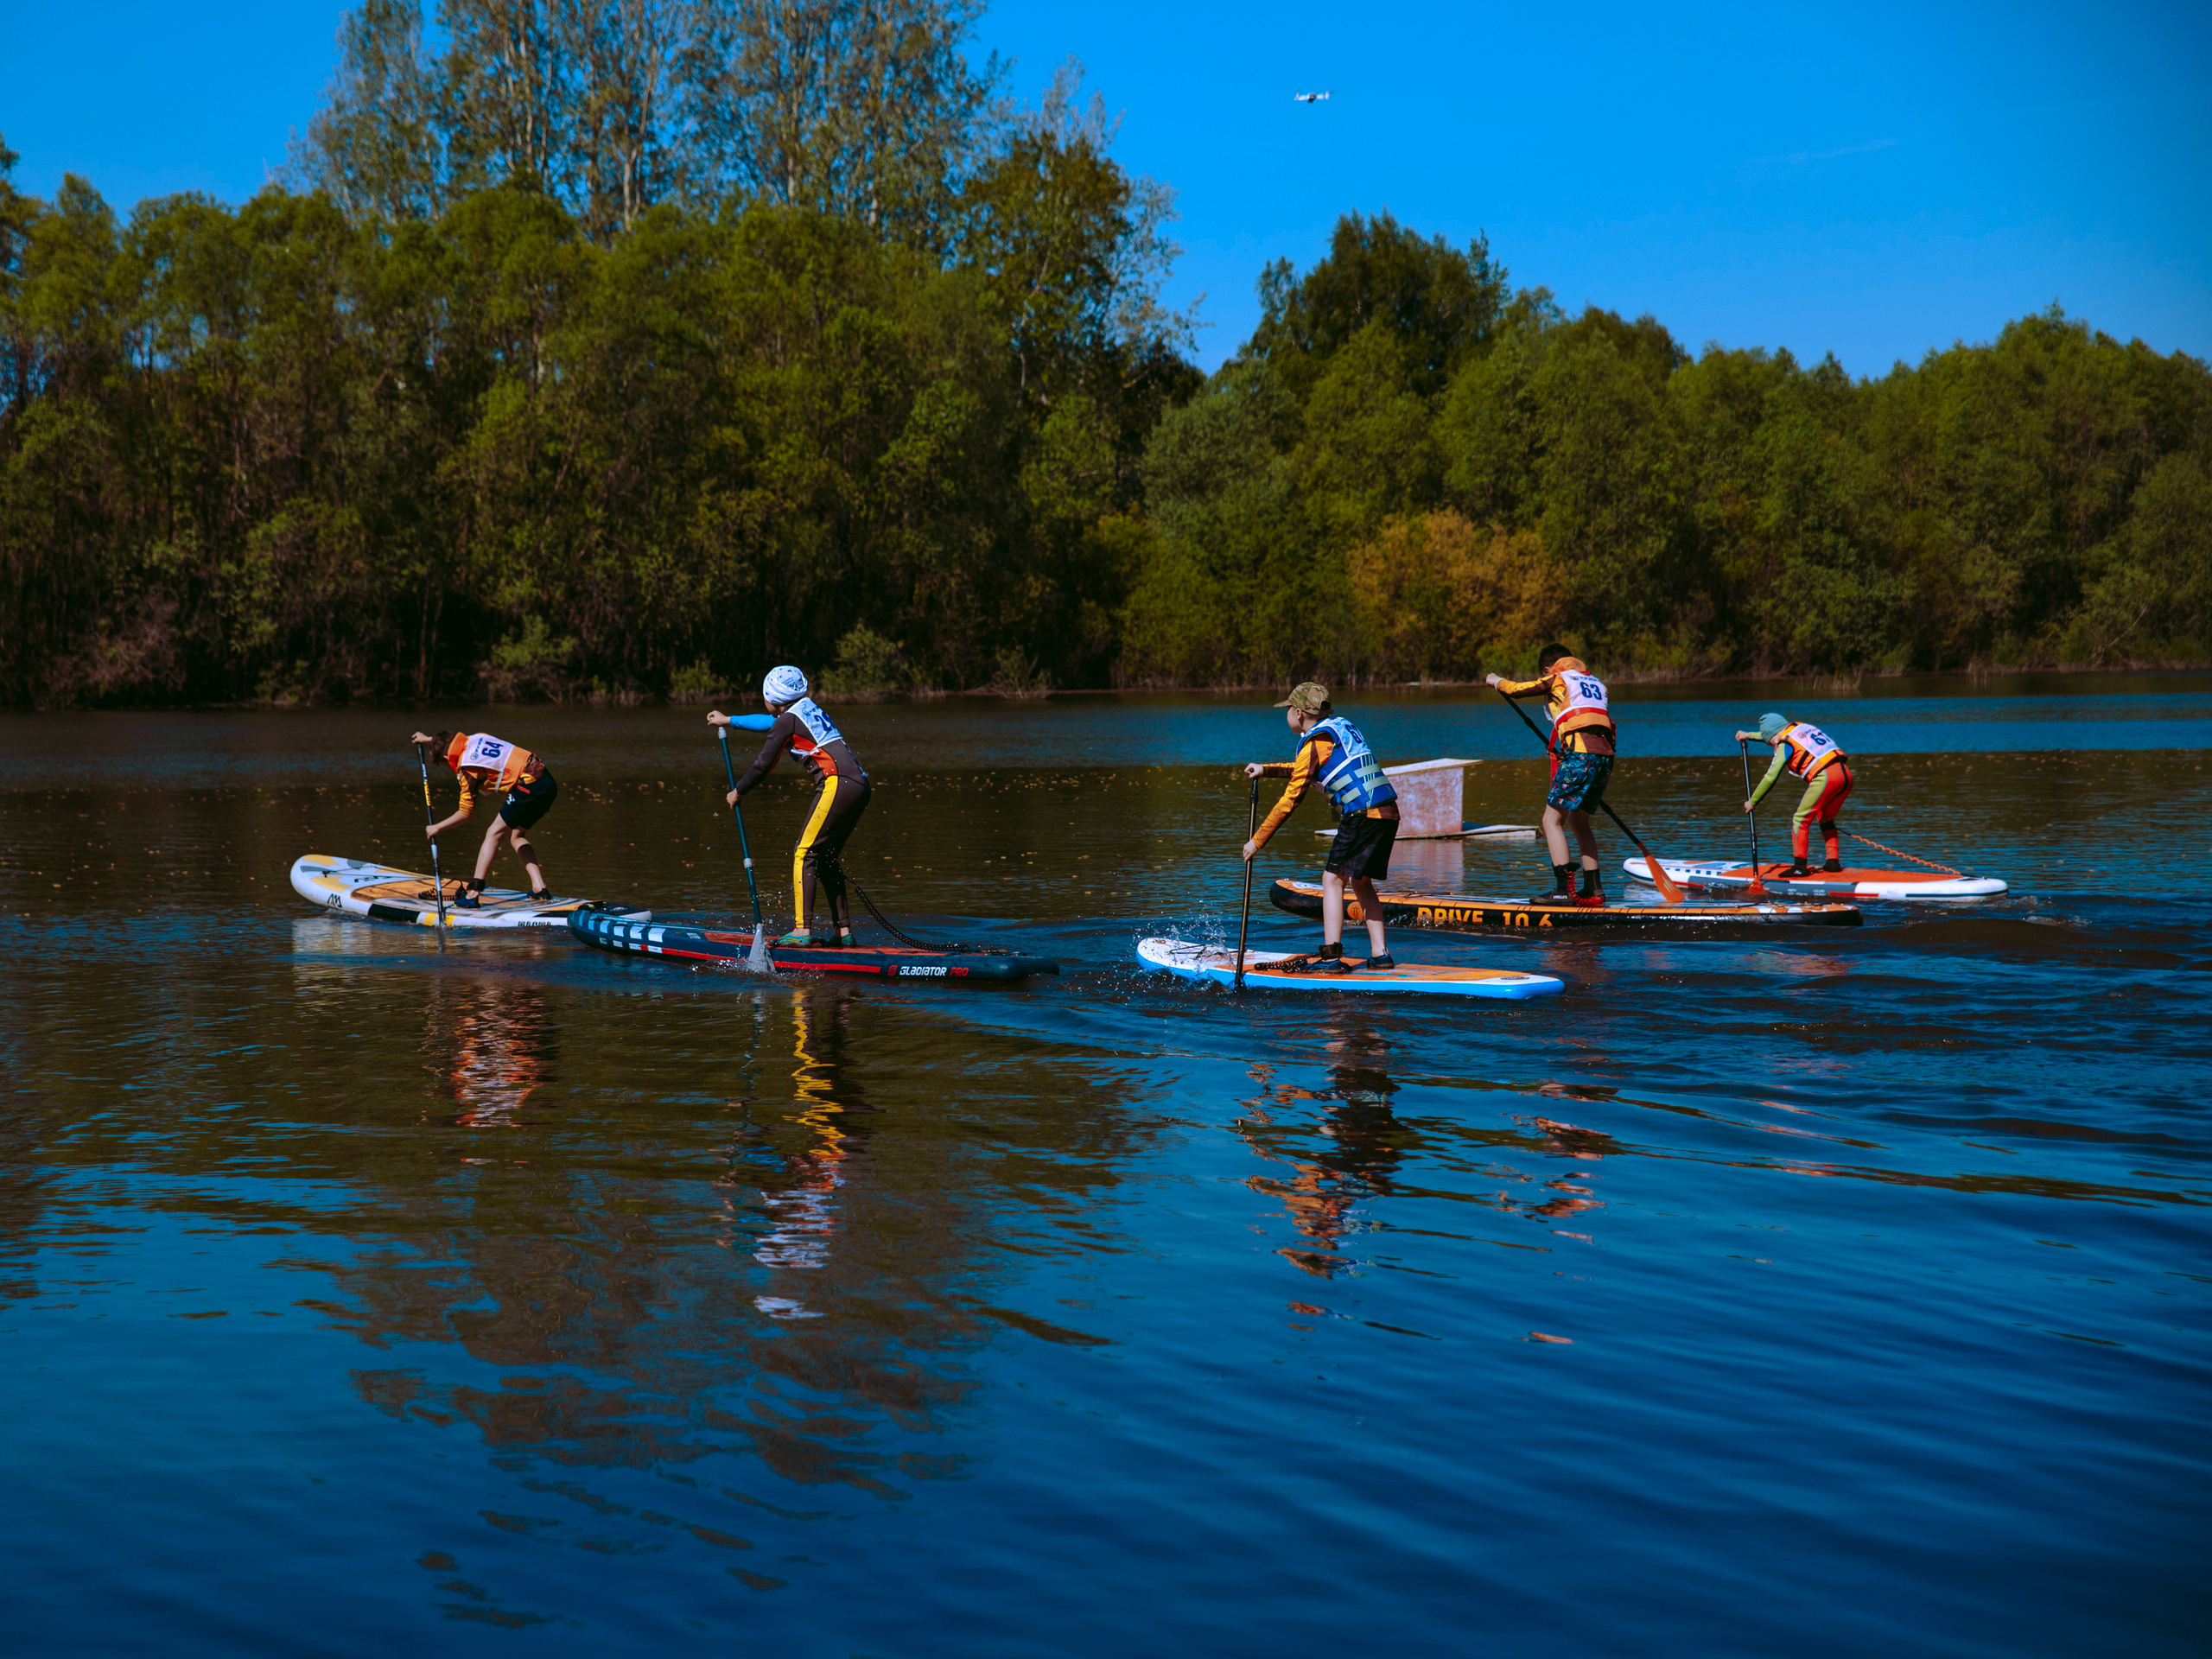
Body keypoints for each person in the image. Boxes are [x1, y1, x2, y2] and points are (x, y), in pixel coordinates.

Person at [1242, 682, 1398, 973]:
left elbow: (1291, 799)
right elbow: (1307, 768)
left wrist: (1257, 841)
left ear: (1299, 713)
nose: (1286, 713)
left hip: (1362, 814)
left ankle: (1331, 958)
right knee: (1360, 882)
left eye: (1288, 708)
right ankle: (1380, 955)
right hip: (1387, 812)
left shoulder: (1315, 742)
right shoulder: (1338, 728)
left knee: (1331, 879)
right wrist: (1267, 769)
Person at [709, 666, 870, 947]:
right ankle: (843, 933)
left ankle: (801, 931)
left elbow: (762, 766)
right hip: (859, 784)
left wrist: (738, 791)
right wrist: (729, 720)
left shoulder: (788, 720)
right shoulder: (803, 709)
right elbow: (770, 723)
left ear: (772, 696)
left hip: (838, 783)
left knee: (804, 853)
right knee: (825, 857)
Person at [1485, 645, 1616, 904]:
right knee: (1579, 822)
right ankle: (1594, 887)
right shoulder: (1596, 682)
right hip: (1605, 758)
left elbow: (1518, 690)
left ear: (1547, 668)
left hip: (1581, 756)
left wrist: (1495, 681)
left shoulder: (1558, 678)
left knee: (1551, 820)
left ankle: (1563, 890)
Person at [411, 728, 558, 906]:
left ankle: (473, 893)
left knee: (493, 833)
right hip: (547, 782)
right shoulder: (475, 738)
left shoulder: (467, 769)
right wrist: (428, 740)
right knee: (516, 836)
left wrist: (437, 828)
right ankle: (539, 889)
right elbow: (449, 741)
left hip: (528, 786)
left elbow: (465, 813)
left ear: (445, 759)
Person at [1737, 711, 1853, 877]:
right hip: (1845, 774)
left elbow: (1771, 776)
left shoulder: (1785, 743)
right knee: (1825, 817)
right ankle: (1833, 863)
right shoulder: (1798, 728)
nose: (1770, 745)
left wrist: (1753, 801)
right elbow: (1771, 734)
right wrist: (1748, 736)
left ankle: (1799, 867)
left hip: (1826, 776)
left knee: (1800, 820)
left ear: (1772, 735)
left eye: (1767, 740)